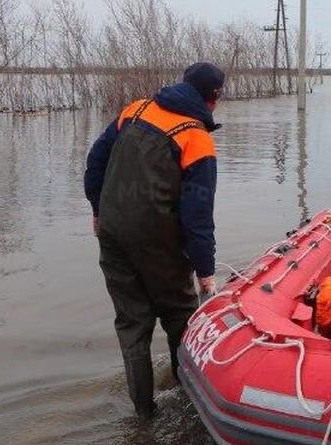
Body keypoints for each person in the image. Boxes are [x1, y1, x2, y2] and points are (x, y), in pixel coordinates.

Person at [84, 62, 225, 417]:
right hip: (157, 241)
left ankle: (143, 413)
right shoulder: (197, 140)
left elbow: (95, 163)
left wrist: (99, 211)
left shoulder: (136, 109)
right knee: (181, 316)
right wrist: (205, 269)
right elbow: (197, 215)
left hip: (113, 232)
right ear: (215, 98)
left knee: (132, 323)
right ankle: (186, 401)